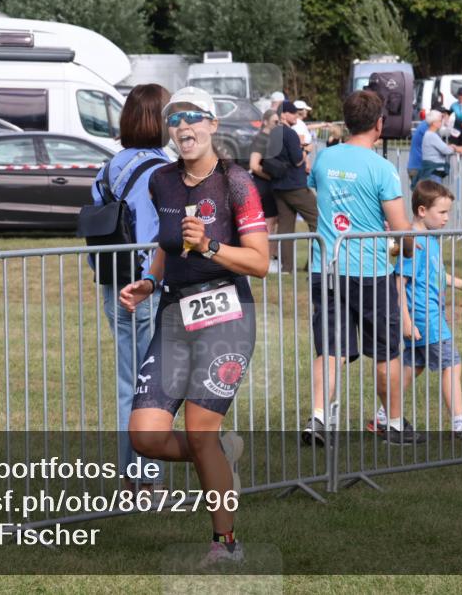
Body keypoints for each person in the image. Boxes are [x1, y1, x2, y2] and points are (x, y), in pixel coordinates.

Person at [121, 86, 269, 565]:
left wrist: (208, 248)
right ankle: (220, 454)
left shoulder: (236, 182)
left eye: (193, 118)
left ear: (212, 125)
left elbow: (261, 262)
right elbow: (167, 243)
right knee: (145, 435)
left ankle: (226, 544)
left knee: (199, 430)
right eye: (175, 120)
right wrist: (148, 280)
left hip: (226, 315)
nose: (183, 127)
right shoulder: (161, 180)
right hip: (172, 313)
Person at [303, 90, 421, 447]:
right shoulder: (382, 168)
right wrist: (408, 248)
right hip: (370, 271)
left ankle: (319, 417)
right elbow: (401, 228)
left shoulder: (324, 159)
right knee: (386, 353)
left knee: (330, 351)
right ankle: (395, 423)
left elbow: (317, 196)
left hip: (327, 266)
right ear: (379, 124)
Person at [89, 83, 172, 492]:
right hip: (145, 286)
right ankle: (147, 474)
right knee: (150, 383)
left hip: (112, 281)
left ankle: (132, 471)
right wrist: (149, 281)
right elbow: (156, 233)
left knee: (130, 381)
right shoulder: (161, 169)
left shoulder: (109, 166)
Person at [394, 180, 462, 438]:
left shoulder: (430, 239)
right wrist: (406, 322)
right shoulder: (415, 242)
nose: (447, 218)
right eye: (442, 212)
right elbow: (398, 284)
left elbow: (436, 275)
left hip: (426, 318)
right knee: (452, 365)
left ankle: (385, 415)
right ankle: (460, 424)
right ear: (422, 211)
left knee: (414, 365)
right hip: (425, 318)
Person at [271, 101, 319, 273]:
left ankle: (287, 267)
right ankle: (315, 264)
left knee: (285, 227)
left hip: (277, 186)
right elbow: (298, 159)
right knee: (317, 220)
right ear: (284, 114)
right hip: (295, 186)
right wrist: (306, 149)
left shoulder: (272, 133)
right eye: (293, 113)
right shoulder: (290, 134)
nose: (296, 117)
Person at [248, 109, 281, 272]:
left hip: (267, 185)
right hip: (263, 185)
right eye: (275, 122)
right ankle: (267, 259)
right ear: (266, 121)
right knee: (268, 223)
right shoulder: (261, 139)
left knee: (272, 222)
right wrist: (270, 178)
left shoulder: (270, 139)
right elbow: (254, 165)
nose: (277, 125)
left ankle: (271, 257)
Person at [418, 109, 462, 185]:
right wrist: (454, 147)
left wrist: (449, 147)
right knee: (436, 195)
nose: (441, 122)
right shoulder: (432, 135)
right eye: (439, 121)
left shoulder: (429, 134)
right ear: (434, 123)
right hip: (434, 172)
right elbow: (446, 150)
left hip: (431, 170)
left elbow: (443, 147)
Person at [407, 117, 428, 189]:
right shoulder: (427, 127)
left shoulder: (422, 125)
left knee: (418, 196)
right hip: (418, 167)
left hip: (413, 166)